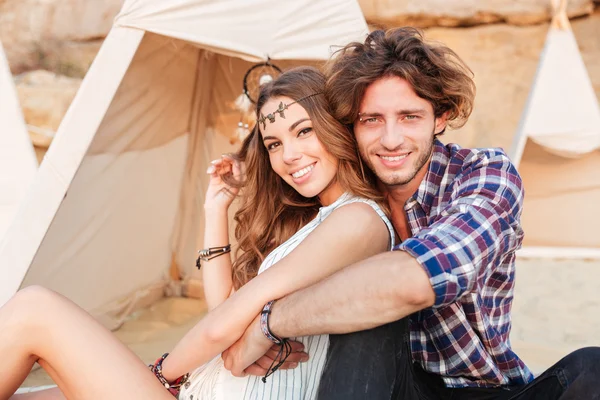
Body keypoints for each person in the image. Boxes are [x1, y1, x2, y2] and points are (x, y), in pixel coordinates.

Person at [221, 28, 600, 399]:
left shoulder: (486, 175)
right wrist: (219, 204)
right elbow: (233, 306)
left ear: (441, 117)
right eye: (371, 119)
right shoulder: (348, 197)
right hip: (390, 386)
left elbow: (416, 281)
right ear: (351, 125)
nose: (390, 140)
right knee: (368, 315)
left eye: (409, 117)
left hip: (484, 390)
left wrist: (269, 325)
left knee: (591, 368)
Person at [1, 66, 395, 400]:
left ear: (336, 127)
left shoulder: (359, 219)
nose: (288, 155)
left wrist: (160, 376)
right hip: (200, 386)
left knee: (33, 310)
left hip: (193, 390)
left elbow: (222, 326)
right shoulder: (319, 221)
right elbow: (224, 307)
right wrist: (215, 208)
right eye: (274, 143)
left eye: (304, 131)